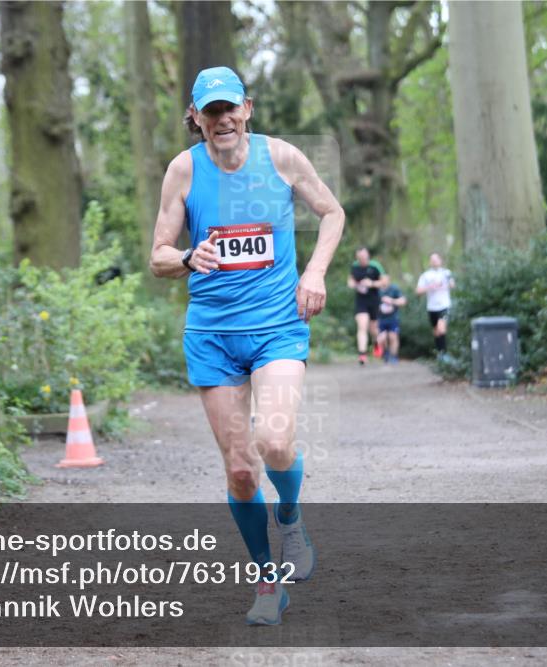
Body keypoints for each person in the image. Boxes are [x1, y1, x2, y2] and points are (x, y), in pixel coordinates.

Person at [149, 66, 345, 626]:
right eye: (210, 112)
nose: (222, 120)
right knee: (239, 471)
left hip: (277, 325)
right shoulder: (182, 172)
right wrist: (188, 258)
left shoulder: (281, 158)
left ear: (247, 109)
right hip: (212, 335)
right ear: (196, 119)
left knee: (274, 441)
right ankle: (266, 583)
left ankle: (290, 516)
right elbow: (158, 253)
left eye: (230, 108)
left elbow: (332, 213)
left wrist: (315, 273)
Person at [347, 247, 388, 365]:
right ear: (357, 257)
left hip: (374, 301)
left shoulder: (375, 266)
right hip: (361, 301)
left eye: (364, 258)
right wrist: (355, 285)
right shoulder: (355, 266)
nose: (363, 260)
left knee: (373, 329)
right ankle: (362, 355)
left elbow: (385, 282)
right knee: (362, 326)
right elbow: (350, 280)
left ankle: (377, 344)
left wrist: (372, 283)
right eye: (360, 258)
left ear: (368, 256)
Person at [416, 253, 455, 357]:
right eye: (432, 259)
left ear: (440, 260)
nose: (434, 261)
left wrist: (447, 282)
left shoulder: (447, 273)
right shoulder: (426, 275)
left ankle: (444, 354)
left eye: (436, 259)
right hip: (432, 307)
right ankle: (440, 354)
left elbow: (452, 285)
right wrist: (430, 286)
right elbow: (418, 291)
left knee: (441, 328)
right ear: (429, 262)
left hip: (444, 306)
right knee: (436, 331)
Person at [376, 280, 407, 364]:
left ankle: (394, 356)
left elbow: (403, 301)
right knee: (382, 338)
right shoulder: (376, 289)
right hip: (380, 319)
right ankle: (386, 353)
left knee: (393, 336)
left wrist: (391, 301)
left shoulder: (394, 288)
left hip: (393, 318)